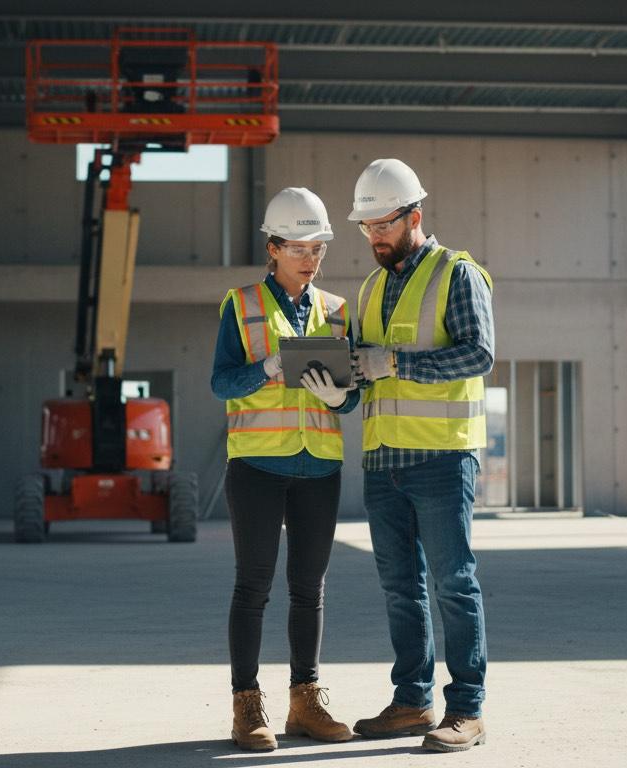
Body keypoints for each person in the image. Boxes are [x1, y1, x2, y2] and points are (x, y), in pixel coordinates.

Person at [345, 159, 495, 753]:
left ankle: (467, 709)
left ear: (414, 216)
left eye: (383, 223)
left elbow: (478, 355)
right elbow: (368, 371)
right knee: (399, 587)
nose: (375, 236)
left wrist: (397, 362)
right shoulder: (371, 287)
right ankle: (412, 701)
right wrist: (342, 385)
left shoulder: (457, 273)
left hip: (441, 457)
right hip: (383, 461)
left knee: (454, 584)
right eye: (366, 227)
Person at [210, 187, 360, 751]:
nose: (310, 257)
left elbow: (349, 401)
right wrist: (265, 368)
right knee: (253, 585)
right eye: (297, 246)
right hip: (257, 466)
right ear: (272, 248)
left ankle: (306, 700)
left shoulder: (338, 312)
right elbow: (222, 382)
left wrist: (335, 396)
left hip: (318, 465)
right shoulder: (241, 304)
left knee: (309, 588)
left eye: (317, 246)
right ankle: (246, 706)